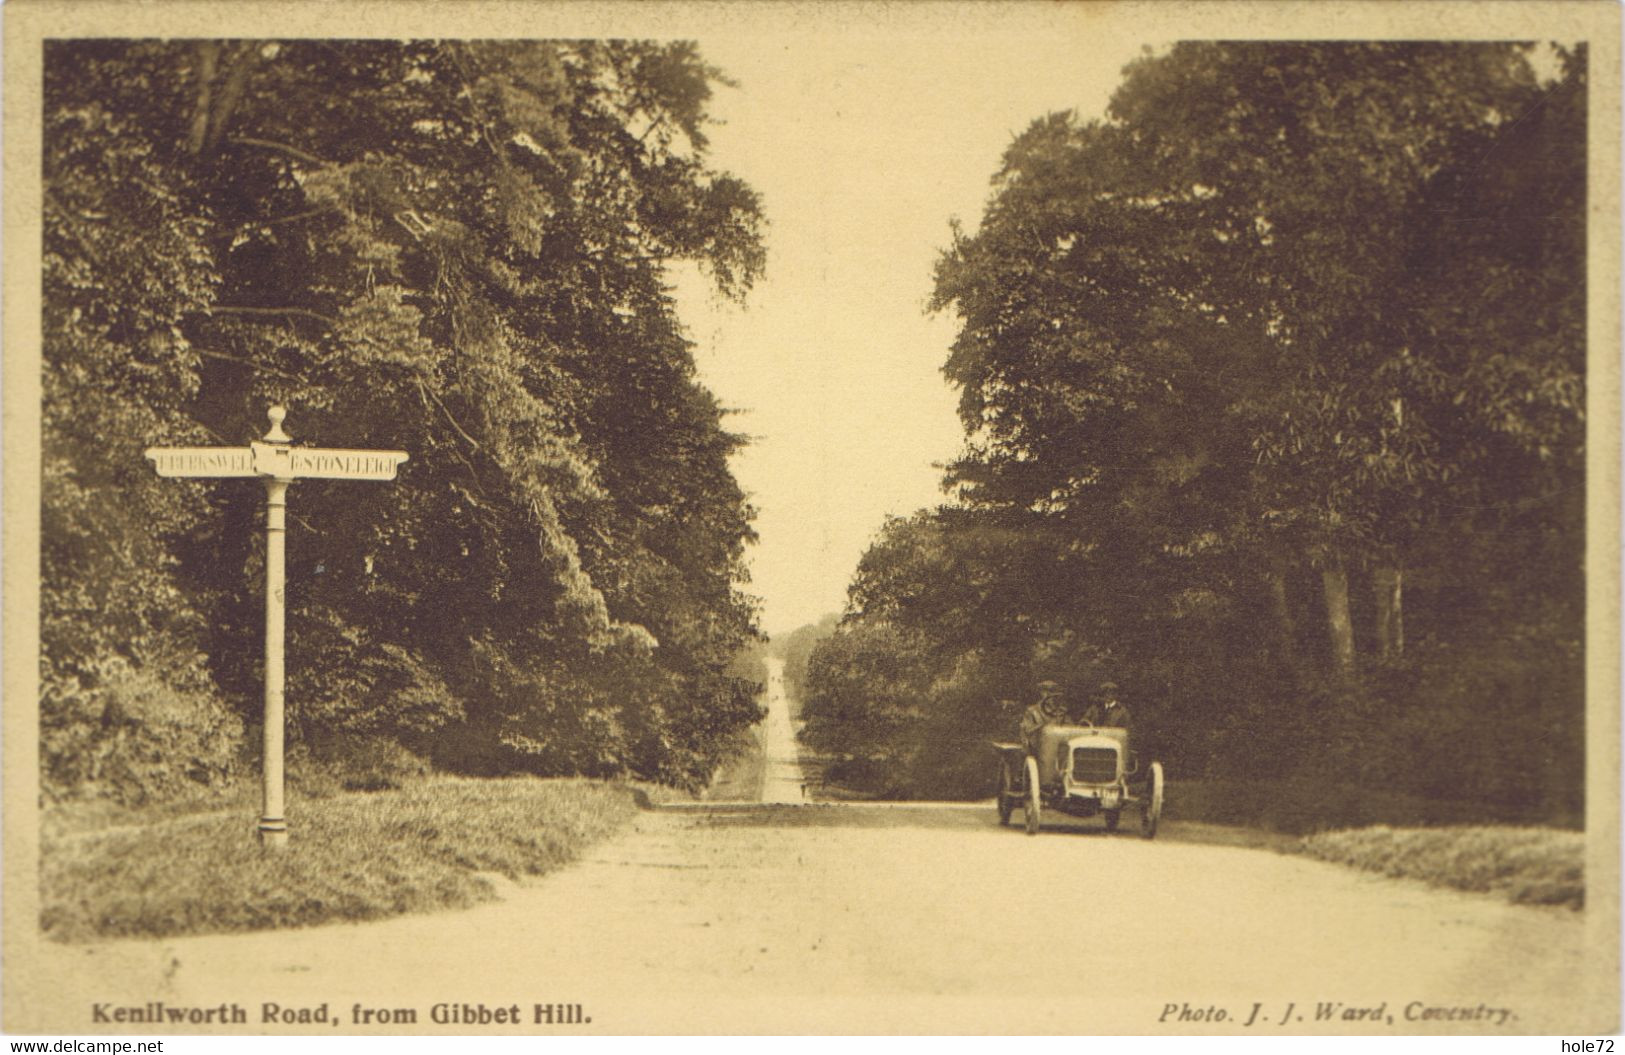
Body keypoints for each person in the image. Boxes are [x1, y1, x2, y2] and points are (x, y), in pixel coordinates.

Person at [1020, 680, 1069, 759]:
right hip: (1039, 747)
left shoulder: (1061, 712)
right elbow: (1027, 731)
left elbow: (1070, 728)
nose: (1049, 695)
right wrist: (1043, 726)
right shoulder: (1032, 711)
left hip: (1059, 746)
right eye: (1046, 691)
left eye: (1052, 692)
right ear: (1041, 693)